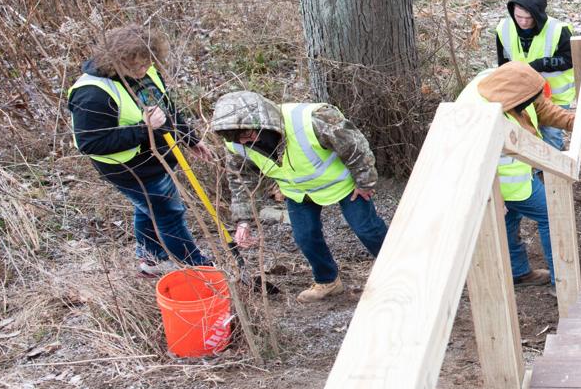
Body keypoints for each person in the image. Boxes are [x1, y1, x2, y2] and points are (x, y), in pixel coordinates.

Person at [67, 25, 217, 275]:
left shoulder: (148, 72)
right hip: (130, 169)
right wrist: (143, 129)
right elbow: (90, 143)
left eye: (147, 63)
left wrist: (189, 138)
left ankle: (151, 259)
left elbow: (166, 108)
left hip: (157, 158)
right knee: (169, 213)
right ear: (115, 60)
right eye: (134, 65)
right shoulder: (92, 94)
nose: (142, 70)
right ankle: (196, 266)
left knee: (148, 209)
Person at [211, 91, 386, 301]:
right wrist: (243, 220)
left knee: (367, 229)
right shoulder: (236, 145)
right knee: (305, 237)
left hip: (343, 185)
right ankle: (328, 281)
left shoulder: (312, 119)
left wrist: (365, 181)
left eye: (247, 132)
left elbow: (354, 146)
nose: (246, 140)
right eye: (237, 137)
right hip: (298, 192)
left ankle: (395, 264)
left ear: (263, 120)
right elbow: (241, 180)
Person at [457, 62, 578, 287]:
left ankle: (518, 273)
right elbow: (468, 158)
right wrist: (492, 195)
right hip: (505, 183)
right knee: (552, 215)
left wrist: (573, 121)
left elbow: (541, 108)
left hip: (517, 175)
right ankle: (562, 283)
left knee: (509, 221)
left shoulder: (508, 83)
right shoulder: (476, 112)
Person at [495, 0, 577, 151]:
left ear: (538, 15)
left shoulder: (558, 30)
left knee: (551, 135)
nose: (523, 22)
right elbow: (503, 63)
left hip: (555, 96)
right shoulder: (503, 29)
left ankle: (557, 164)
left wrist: (539, 64)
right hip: (522, 95)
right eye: (519, 17)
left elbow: (570, 59)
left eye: (528, 18)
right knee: (528, 135)